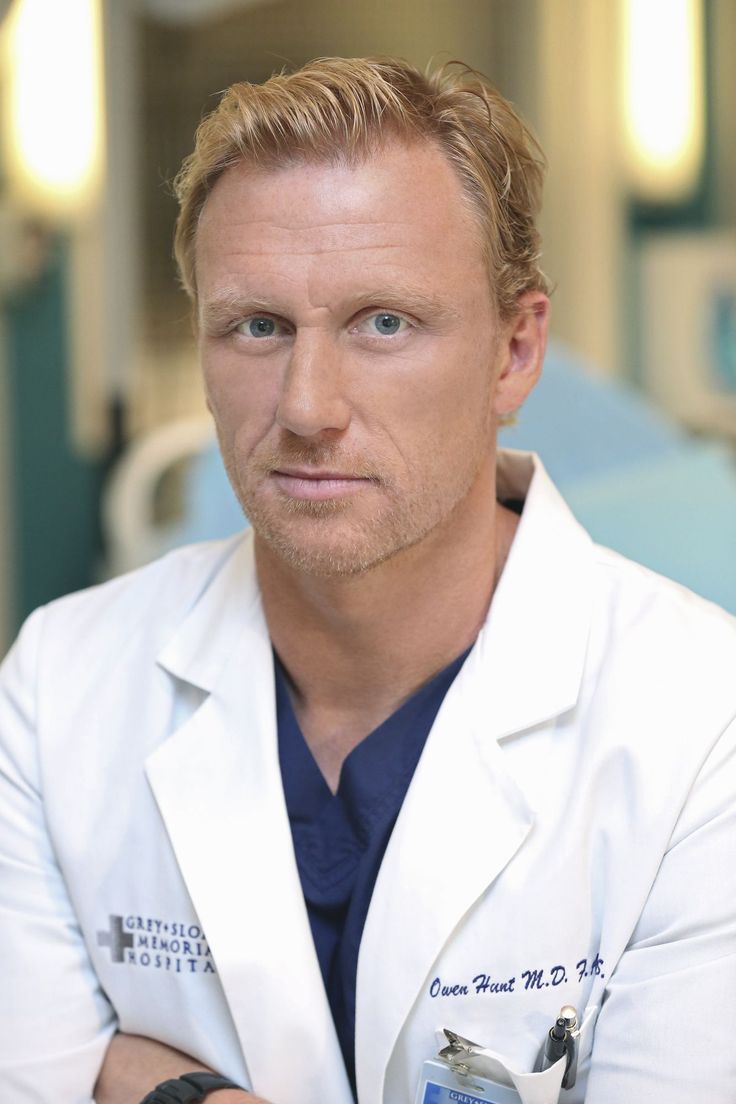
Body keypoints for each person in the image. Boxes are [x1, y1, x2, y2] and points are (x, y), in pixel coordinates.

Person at [1, 57, 735, 1104]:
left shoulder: (703, 717)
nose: (306, 405)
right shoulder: (58, 688)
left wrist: (152, 1087)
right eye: (256, 327)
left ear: (514, 353)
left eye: (383, 323)